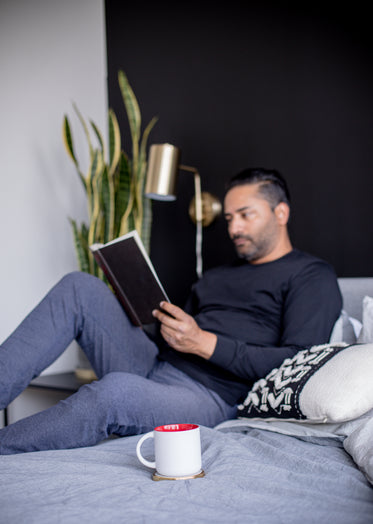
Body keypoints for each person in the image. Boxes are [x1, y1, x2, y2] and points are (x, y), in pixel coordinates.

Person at [0, 168, 342, 454]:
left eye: (245, 215)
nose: (233, 228)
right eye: (228, 218)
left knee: (114, 392)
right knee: (80, 286)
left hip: (211, 396)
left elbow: (298, 361)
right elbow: (174, 338)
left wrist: (202, 342)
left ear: (280, 213)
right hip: (157, 366)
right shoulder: (217, 275)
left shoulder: (311, 275)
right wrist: (143, 312)